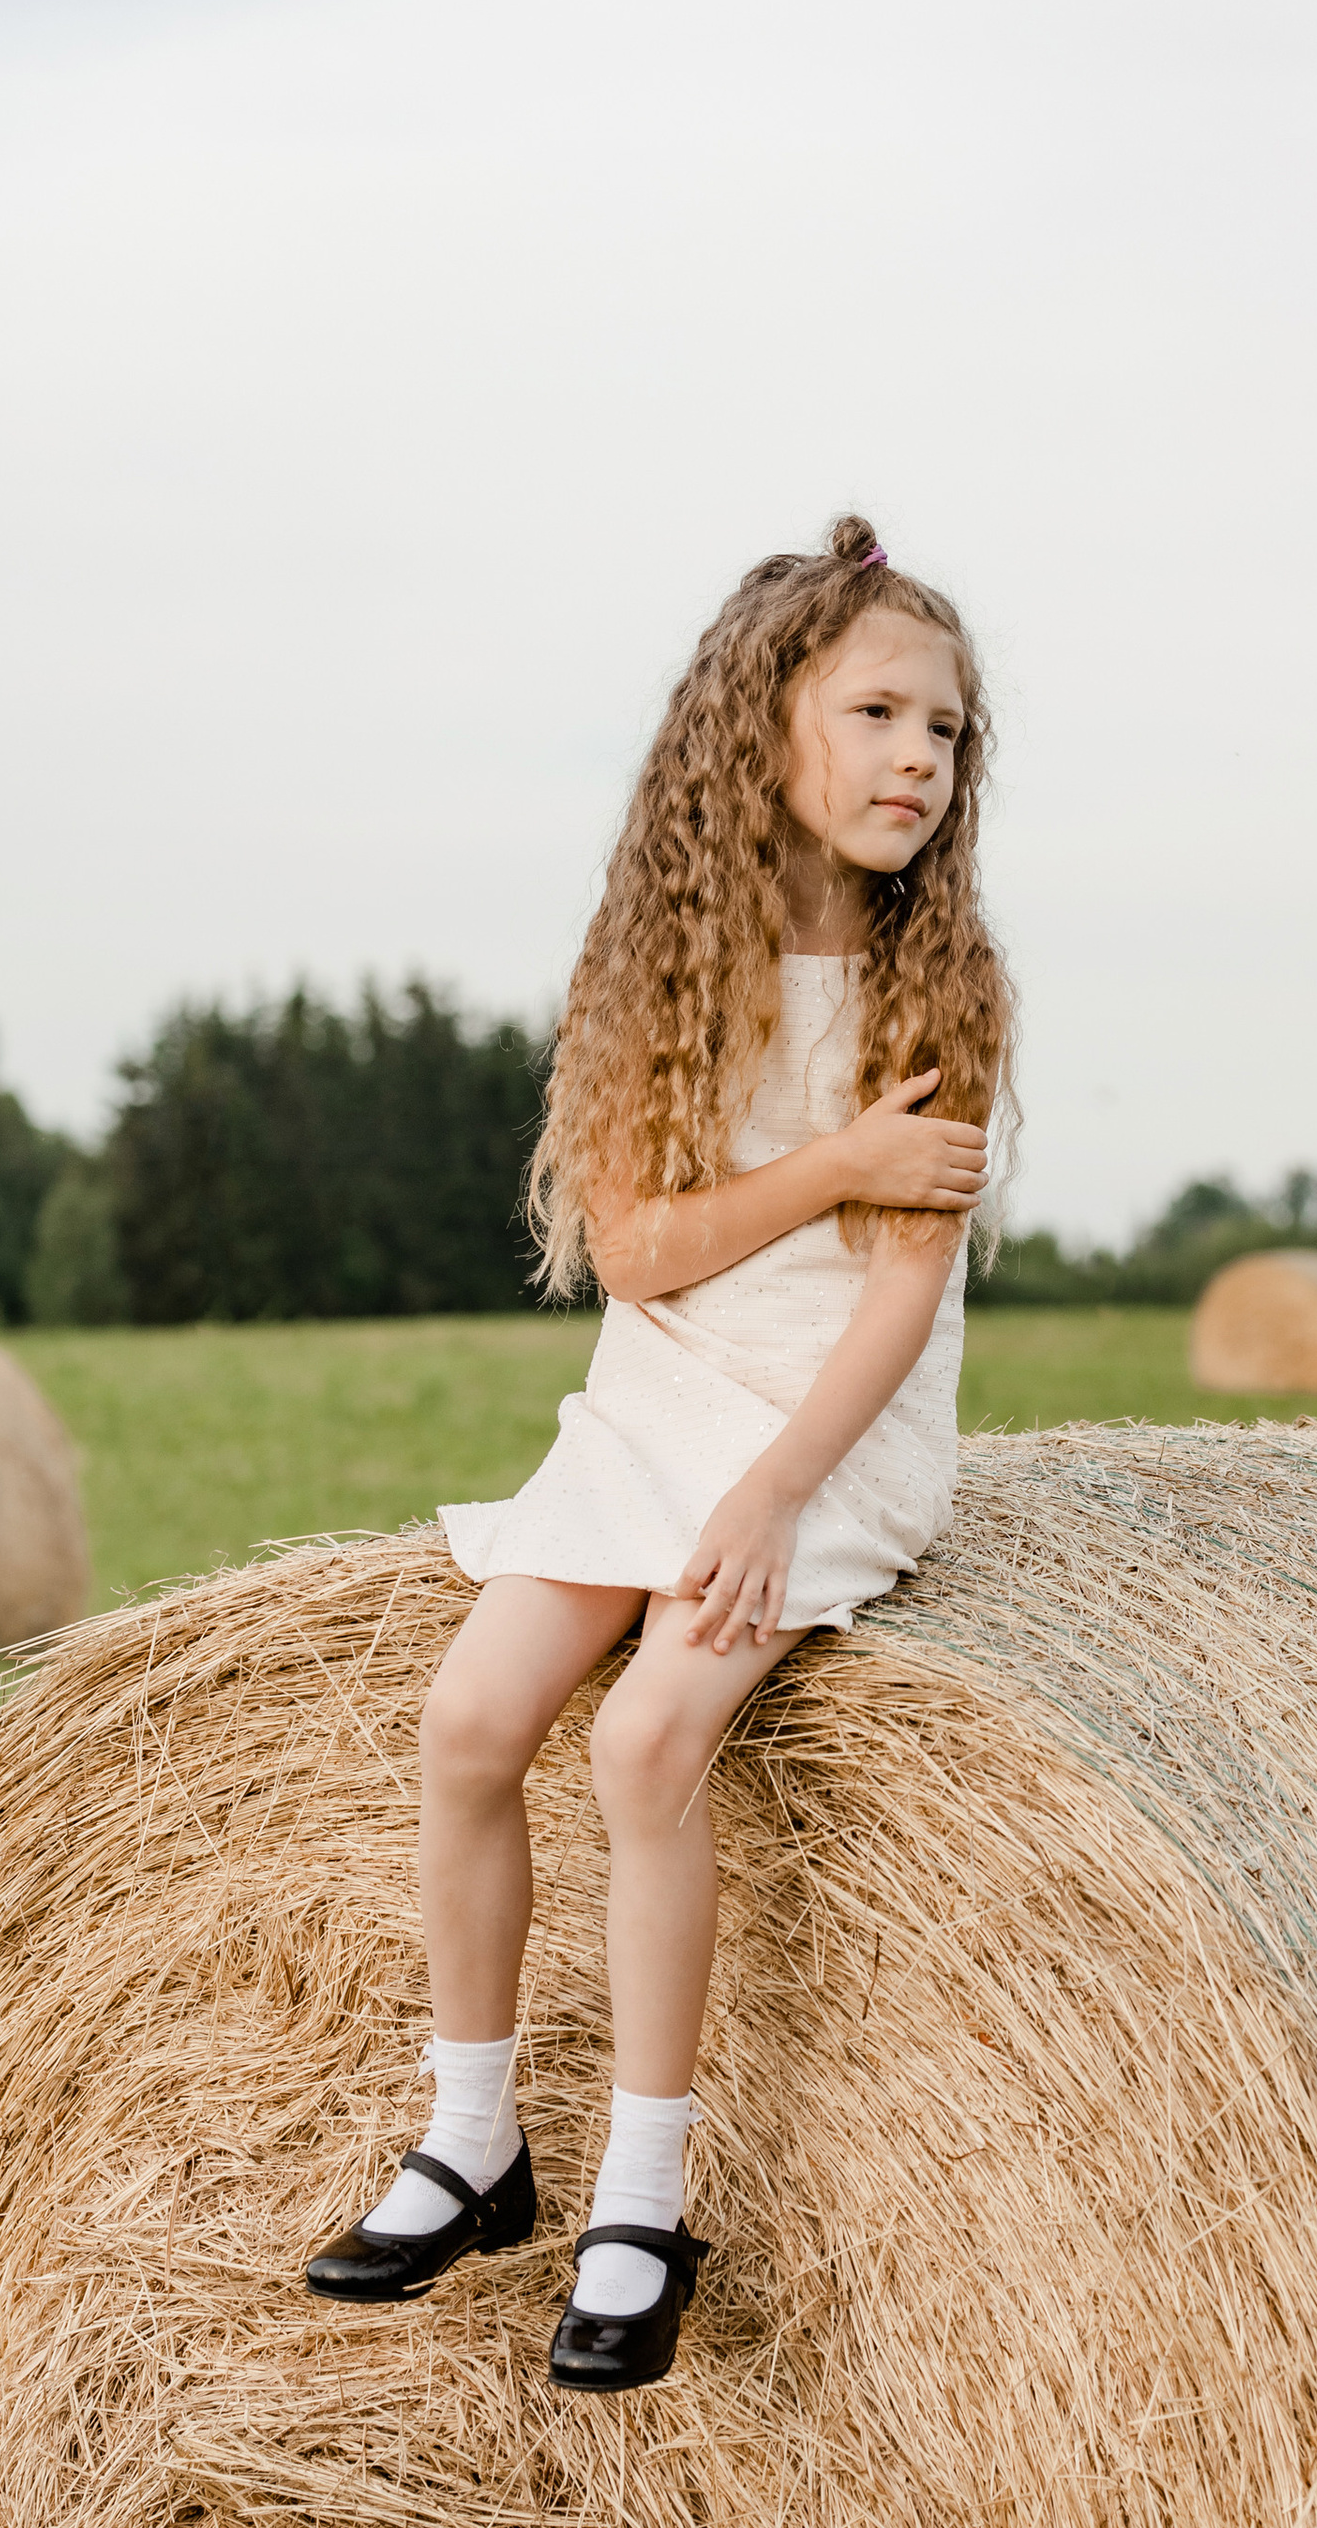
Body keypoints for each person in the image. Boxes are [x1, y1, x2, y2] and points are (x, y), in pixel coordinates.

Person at [305, 514, 1016, 2390]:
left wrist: (780, 1489)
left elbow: (896, 1305)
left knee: (641, 1738)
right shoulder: (654, 968)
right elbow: (640, 1252)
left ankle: (643, 2191)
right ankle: (474, 2142)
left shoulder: (946, 987)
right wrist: (837, 1166)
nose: (917, 761)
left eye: (946, 731)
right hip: (654, 1395)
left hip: (831, 1430)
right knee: (469, 1725)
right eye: (875, 713)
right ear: (758, 727)